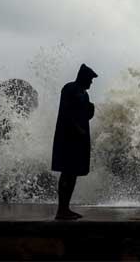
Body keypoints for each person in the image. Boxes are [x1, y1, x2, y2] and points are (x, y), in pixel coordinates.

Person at [51, 63, 98, 220]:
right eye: (90, 79)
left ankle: (66, 208)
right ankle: (62, 210)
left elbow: (85, 116)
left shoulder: (84, 94)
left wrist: (91, 110)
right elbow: (66, 111)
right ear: (83, 77)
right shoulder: (70, 88)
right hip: (68, 138)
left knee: (72, 174)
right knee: (67, 172)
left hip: (79, 139)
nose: (91, 83)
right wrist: (76, 128)